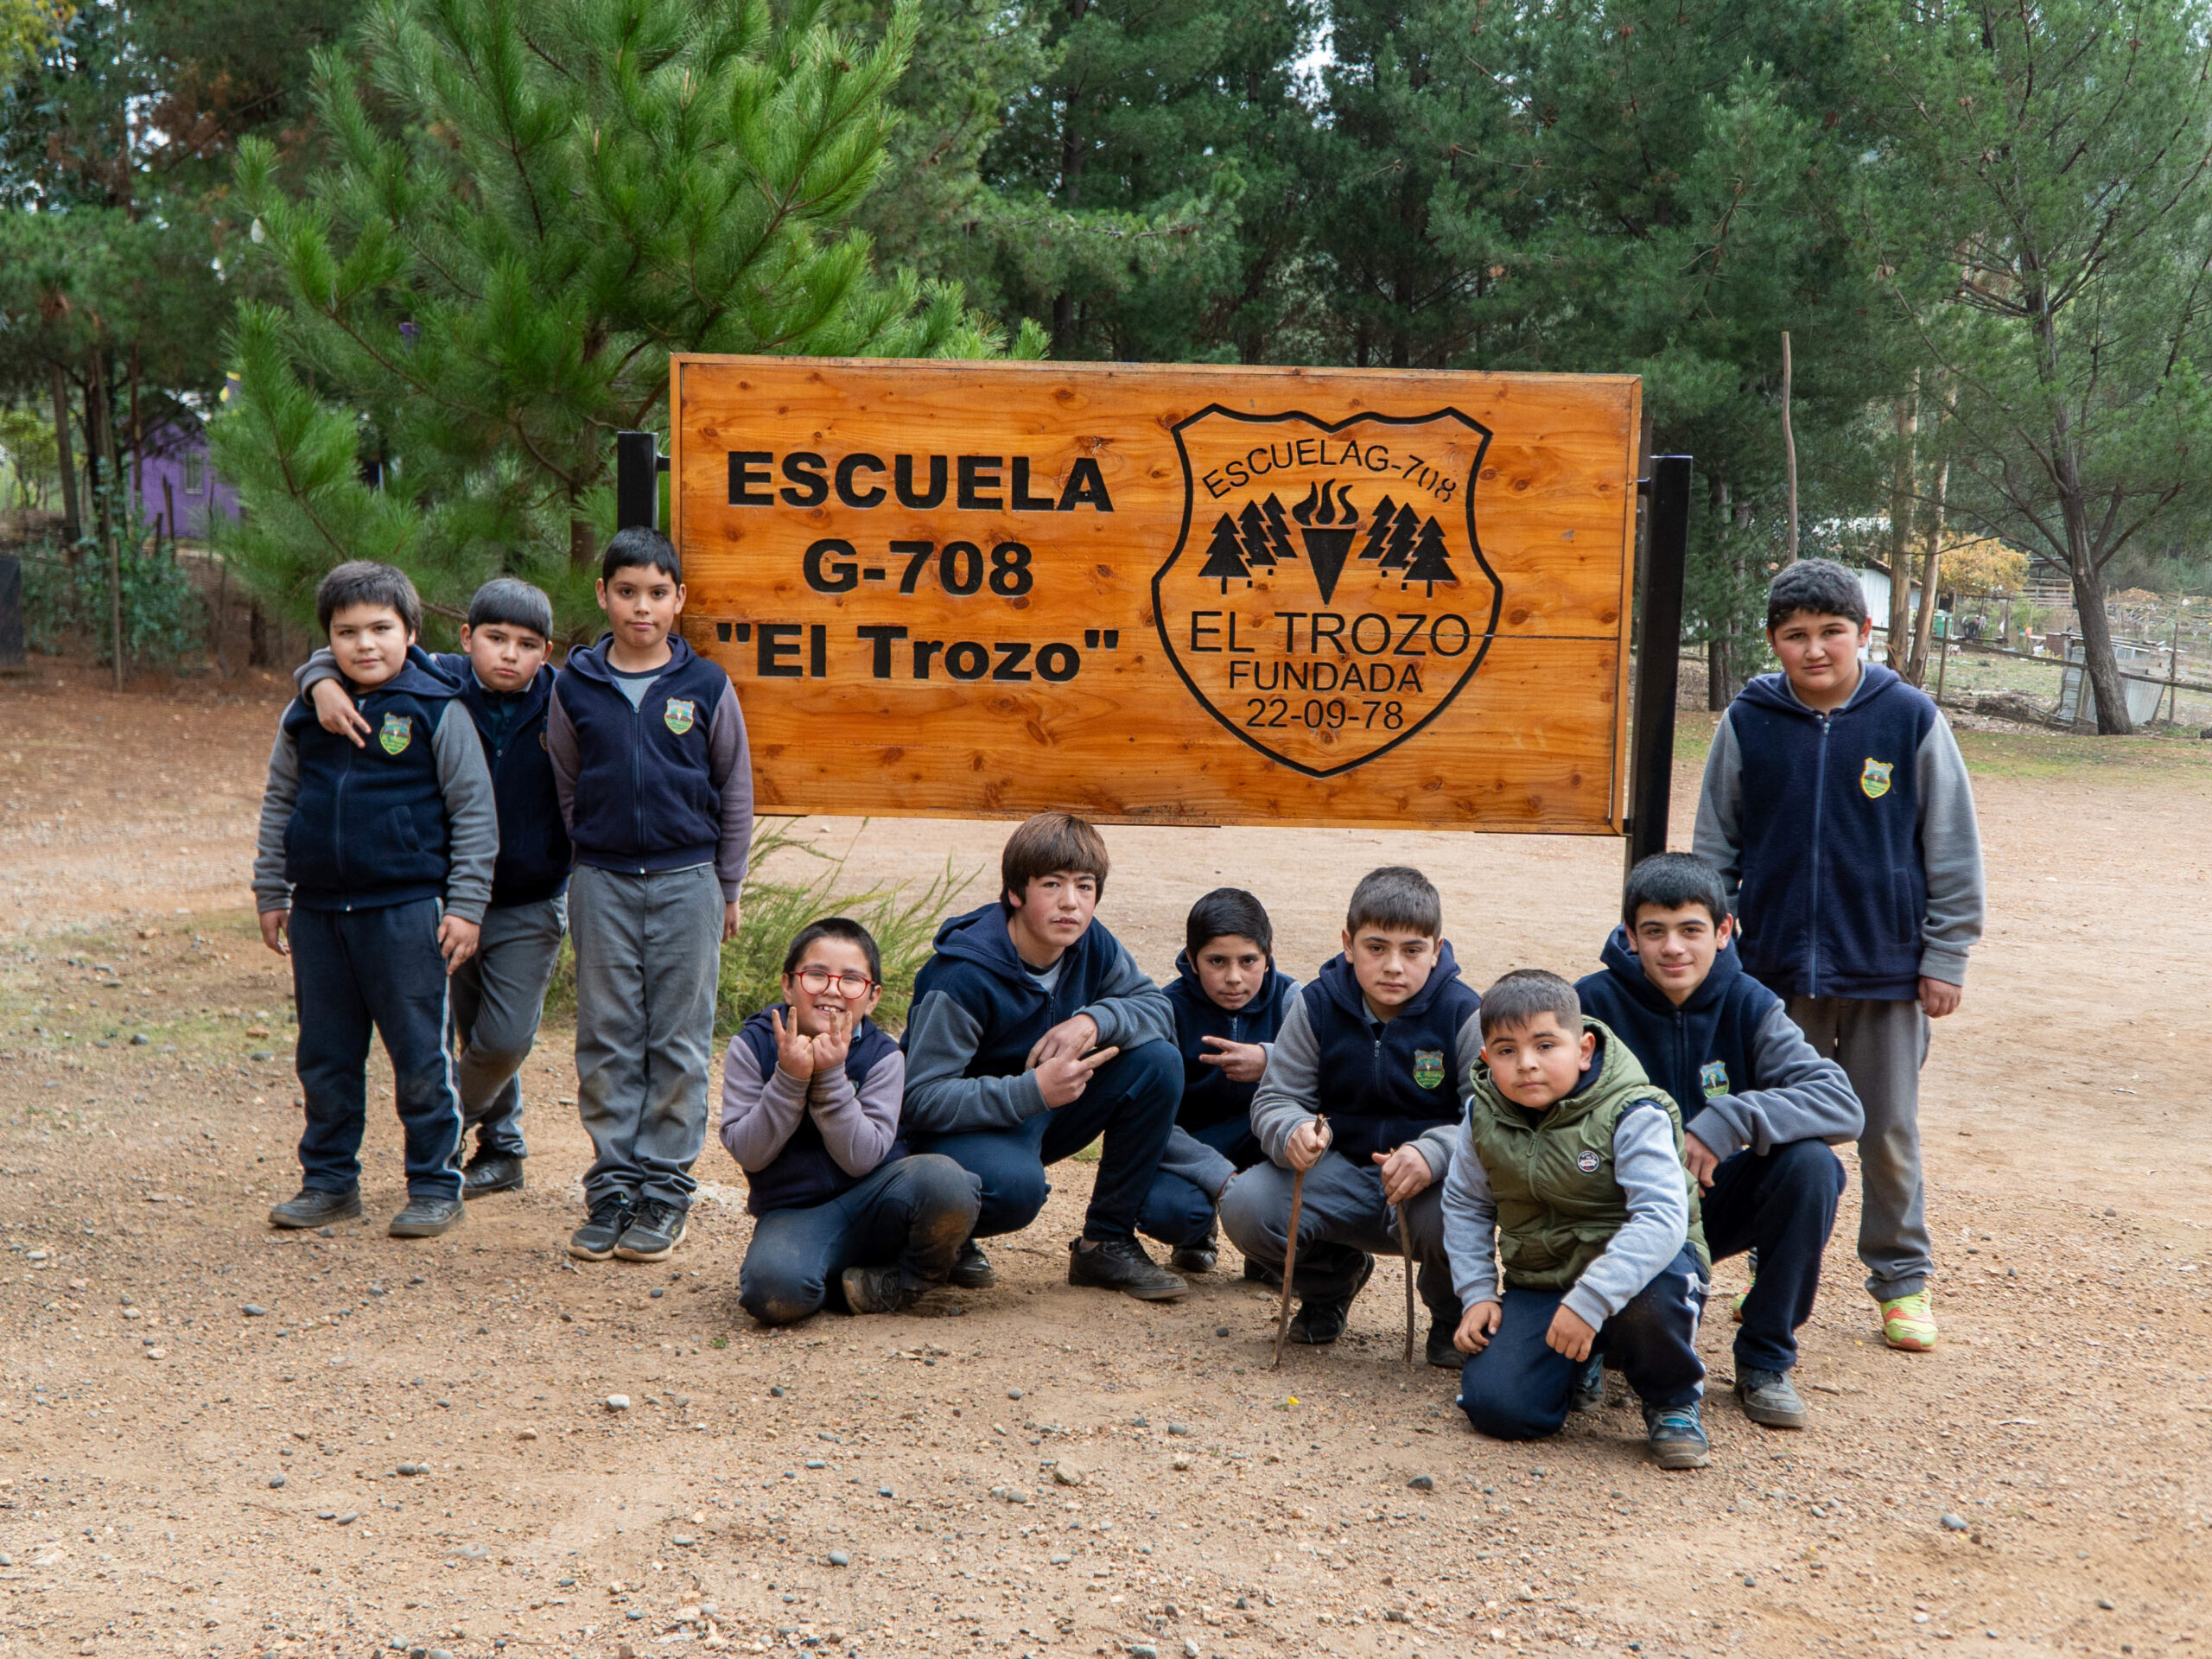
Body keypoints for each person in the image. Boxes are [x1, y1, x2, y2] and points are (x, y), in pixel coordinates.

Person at [1694, 557, 1985, 1352]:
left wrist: (1946, 954)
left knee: (1886, 1130)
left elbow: (1952, 848)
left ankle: (1902, 1281)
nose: (1815, 649)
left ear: (1864, 632)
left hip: (1885, 969)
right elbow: (1715, 847)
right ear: (1773, 641)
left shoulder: (1909, 718)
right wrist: (1714, 945)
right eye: (1796, 635)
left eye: (1831, 632)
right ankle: (1771, 1266)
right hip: (1773, 972)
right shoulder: (1749, 720)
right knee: (1779, 1129)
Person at [296, 576, 571, 1199]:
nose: (509, 654)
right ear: (467, 638)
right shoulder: (439, 679)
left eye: (527, 644)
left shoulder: (562, 698)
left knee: (502, 1039)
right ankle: (502, 1148)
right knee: (464, 1032)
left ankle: (443, 1130)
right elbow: (358, 649)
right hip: (449, 897)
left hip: (531, 897)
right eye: (495, 638)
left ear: (546, 652)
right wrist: (319, 681)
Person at [251, 561, 498, 1239]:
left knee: (422, 1059)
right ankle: (329, 1183)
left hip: (407, 911)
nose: (364, 644)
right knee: (325, 1057)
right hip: (319, 913)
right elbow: (280, 801)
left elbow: (474, 813)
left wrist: (466, 906)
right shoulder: (306, 713)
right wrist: (271, 888)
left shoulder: (437, 708)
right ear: (327, 639)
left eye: (381, 629)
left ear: (411, 633)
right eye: (347, 632)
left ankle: (435, 1186)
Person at [1576, 853, 1862, 1430]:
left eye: (1691, 930)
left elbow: (1842, 1105)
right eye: (1654, 932)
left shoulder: (1750, 1003)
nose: (1673, 948)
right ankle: (1591, 1342)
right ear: (1630, 935)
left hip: (1710, 1198)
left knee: (1812, 1166)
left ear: (1724, 931)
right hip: (1617, 1207)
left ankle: (1765, 1358)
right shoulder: (1589, 1006)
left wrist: (1728, 1119)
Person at [549, 526, 753, 1264]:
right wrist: (593, 855)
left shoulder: (706, 686)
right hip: (601, 882)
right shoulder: (574, 687)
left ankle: (665, 1190)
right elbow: (566, 783)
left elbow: (734, 788)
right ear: (603, 595)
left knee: (678, 1039)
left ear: (679, 600)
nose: (642, 607)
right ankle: (612, 1188)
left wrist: (727, 885)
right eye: (627, 592)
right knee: (606, 1036)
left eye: (657, 593)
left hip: (688, 882)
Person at [899, 811, 1188, 1301]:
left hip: (1044, 1107)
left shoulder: (1090, 942)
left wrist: (1095, 1019)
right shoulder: (962, 977)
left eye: (1084, 886)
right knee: (1015, 1190)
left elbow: (1157, 1009)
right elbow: (918, 1099)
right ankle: (937, 1230)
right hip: (960, 1133)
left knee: (1158, 1062)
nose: (1070, 902)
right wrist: (1030, 1091)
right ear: (1016, 893)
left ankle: (1106, 1243)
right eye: (1052, 884)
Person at [1444, 970, 1713, 1470]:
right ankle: (1579, 1362)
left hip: (1642, 1273)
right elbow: (1466, 1204)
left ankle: (1672, 1400)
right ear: (1486, 1058)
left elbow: (1661, 1219)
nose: (1527, 1063)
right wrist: (1477, 1293)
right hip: (1544, 1278)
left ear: (1584, 1049)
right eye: (1506, 1050)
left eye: (1546, 1045)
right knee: (1499, 1408)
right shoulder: (1481, 1115)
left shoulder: (1633, 1111)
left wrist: (1590, 1301)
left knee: (1651, 1305)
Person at [1218, 866, 1480, 1367]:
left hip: (1426, 1187)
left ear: (1437, 949)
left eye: (1412, 951)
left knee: (1460, 1211)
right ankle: (1329, 1286)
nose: (1393, 967)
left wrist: (1434, 1152)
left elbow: (1488, 1117)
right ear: (1348, 944)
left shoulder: (1463, 1012)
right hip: (1337, 1172)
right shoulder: (1317, 1004)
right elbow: (1275, 1098)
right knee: (1247, 1205)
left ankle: (1451, 1317)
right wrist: (1292, 1131)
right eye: (1376, 948)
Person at [721, 918, 982, 1322]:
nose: (832, 989)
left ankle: (909, 1281)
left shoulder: (884, 1057)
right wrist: (789, 1080)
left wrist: (829, 1079)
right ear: (788, 985)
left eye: (851, 980)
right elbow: (750, 1153)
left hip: (878, 1201)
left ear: (872, 997)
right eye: (816, 975)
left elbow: (861, 1158)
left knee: (947, 1182)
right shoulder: (752, 1046)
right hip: (795, 1214)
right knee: (771, 1292)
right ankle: (850, 1286)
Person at [1136, 888, 1299, 1275]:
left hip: (1266, 1141)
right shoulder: (1166, 1010)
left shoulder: (1296, 1002)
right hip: (1191, 1146)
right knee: (1169, 1211)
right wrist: (1219, 1177)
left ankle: (1264, 1248)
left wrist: (1271, 1061)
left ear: (1268, 955)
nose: (1234, 978)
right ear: (1192, 959)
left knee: (1313, 1185)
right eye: (1216, 961)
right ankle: (1196, 1234)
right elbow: (1145, 1119)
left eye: (1248, 961)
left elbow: (1333, 1079)